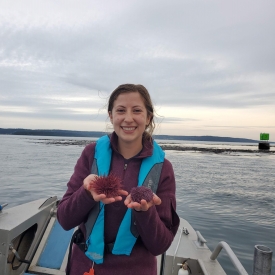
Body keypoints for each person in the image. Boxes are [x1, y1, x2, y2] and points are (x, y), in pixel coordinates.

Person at [57, 84, 180, 275]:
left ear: (148, 117)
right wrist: (87, 194)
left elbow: (160, 246)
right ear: (111, 115)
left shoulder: (163, 169)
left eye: (137, 110)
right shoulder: (91, 155)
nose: (128, 118)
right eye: (121, 110)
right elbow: (64, 220)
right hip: (86, 267)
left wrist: (145, 212)